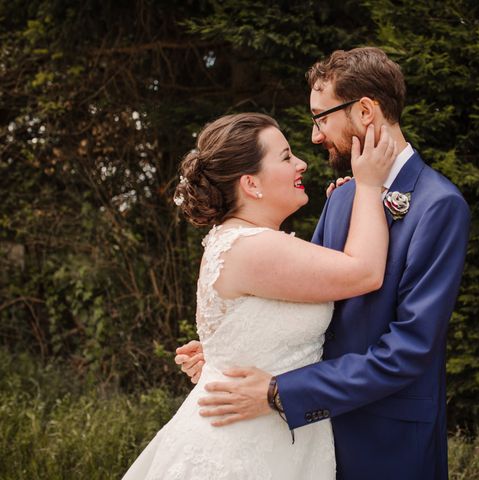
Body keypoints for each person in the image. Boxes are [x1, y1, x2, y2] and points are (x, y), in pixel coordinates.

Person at [177, 47, 470, 480]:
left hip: (385, 443)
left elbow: (409, 350)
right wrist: (233, 353)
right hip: (308, 438)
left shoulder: (439, 206)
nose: (315, 136)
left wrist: (281, 390)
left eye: (321, 117)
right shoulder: (347, 195)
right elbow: (312, 305)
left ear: (365, 111)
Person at [122, 112, 397, 479]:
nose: (300, 163)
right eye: (285, 157)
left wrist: (220, 358)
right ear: (251, 184)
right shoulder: (252, 247)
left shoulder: (240, 241)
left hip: (274, 439)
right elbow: (364, 272)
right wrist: (368, 186)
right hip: (242, 452)